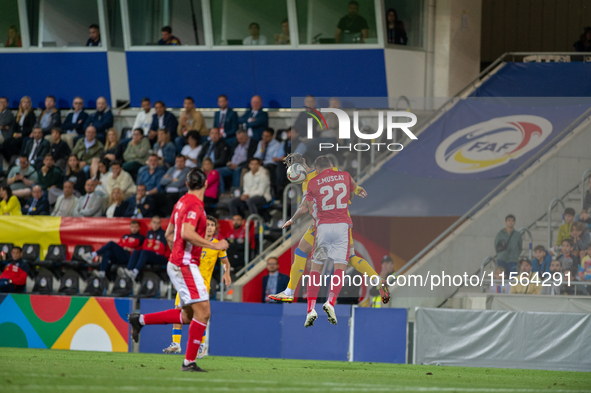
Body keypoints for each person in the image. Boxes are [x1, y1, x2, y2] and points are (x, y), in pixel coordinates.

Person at [128, 168, 230, 373]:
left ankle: (139, 320)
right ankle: (189, 362)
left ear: (187, 184)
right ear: (206, 185)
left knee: (186, 316)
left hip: (179, 262)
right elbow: (186, 232)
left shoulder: (181, 202)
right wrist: (214, 246)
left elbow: (169, 233)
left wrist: (176, 250)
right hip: (185, 264)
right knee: (204, 312)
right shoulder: (194, 204)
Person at [269, 154, 386, 305]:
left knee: (304, 251)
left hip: (326, 223)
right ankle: (378, 280)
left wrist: (292, 220)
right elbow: (347, 178)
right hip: (340, 220)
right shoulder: (331, 171)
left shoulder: (308, 183)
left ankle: (290, 292)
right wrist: (355, 188)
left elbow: (305, 208)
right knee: (305, 250)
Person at [163, 215, 231, 355]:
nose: (210, 227)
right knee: (178, 311)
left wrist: (227, 273)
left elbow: (225, 263)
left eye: (213, 225)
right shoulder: (193, 243)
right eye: (208, 225)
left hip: (202, 286)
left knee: (199, 315)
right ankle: (176, 343)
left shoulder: (217, 245)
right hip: (185, 283)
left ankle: (201, 345)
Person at [303, 155, 357, 327]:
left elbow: (311, 210)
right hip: (342, 226)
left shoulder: (313, 182)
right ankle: (330, 302)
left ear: (317, 169)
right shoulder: (345, 176)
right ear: (332, 166)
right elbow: (350, 197)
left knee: (316, 268)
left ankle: (311, 308)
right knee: (340, 267)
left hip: (324, 227)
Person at [120, 216, 168, 281]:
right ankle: (129, 270)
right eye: (154, 222)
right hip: (149, 255)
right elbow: (145, 246)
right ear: (151, 223)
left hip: (160, 257)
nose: (156, 225)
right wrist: (154, 246)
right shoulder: (149, 233)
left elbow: (161, 249)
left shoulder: (163, 234)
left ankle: (135, 272)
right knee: (137, 251)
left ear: (160, 224)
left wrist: (150, 246)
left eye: (158, 223)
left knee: (144, 252)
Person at [2, 96, 35, 162]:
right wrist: (14, 134)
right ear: (21, 104)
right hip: (17, 134)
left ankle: (18, 158)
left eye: (27, 102)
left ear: (30, 104)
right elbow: (14, 126)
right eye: (24, 102)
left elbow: (31, 127)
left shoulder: (31, 114)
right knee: (5, 144)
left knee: (13, 143)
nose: (26, 104)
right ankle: (10, 159)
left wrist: (21, 134)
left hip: (25, 135)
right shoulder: (18, 114)